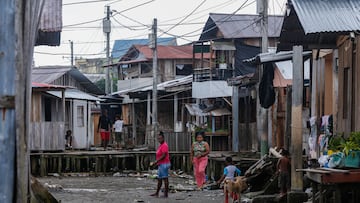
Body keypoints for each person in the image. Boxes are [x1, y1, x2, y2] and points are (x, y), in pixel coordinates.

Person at [150, 131, 171, 198]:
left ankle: (166, 194)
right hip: (161, 164)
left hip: (164, 164)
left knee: (165, 179)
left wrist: (156, 161)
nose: (159, 140)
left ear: (163, 138)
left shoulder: (164, 145)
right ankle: (157, 192)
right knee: (159, 179)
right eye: (158, 139)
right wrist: (157, 163)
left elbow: (164, 155)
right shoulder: (161, 145)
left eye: (160, 138)